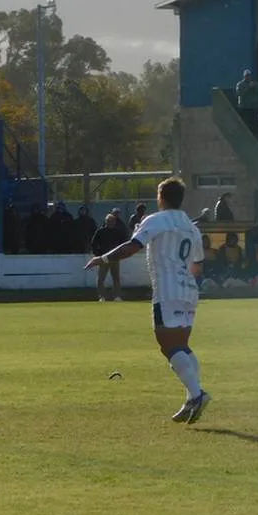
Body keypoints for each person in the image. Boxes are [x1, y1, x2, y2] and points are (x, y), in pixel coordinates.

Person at [84, 177, 209, 424]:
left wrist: (103, 259)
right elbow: (198, 265)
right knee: (181, 345)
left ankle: (197, 394)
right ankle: (191, 396)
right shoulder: (191, 227)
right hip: (188, 289)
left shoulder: (156, 220)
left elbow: (133, 246)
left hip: (167, 289)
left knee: (168, 344)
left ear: (161, 197)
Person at [90, 214, 125, 302]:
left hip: (115, 258)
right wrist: (97, 254)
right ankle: (102, 296)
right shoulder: (101, 231)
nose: (111, 223)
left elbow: (123, 244)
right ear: (106, 221)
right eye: (109, 221)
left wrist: (120, 254)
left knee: (116, 278)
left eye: (112, 221)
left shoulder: (118, 232)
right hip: (103, 258)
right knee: (101, 278)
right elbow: (94, 243)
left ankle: (117, 296)